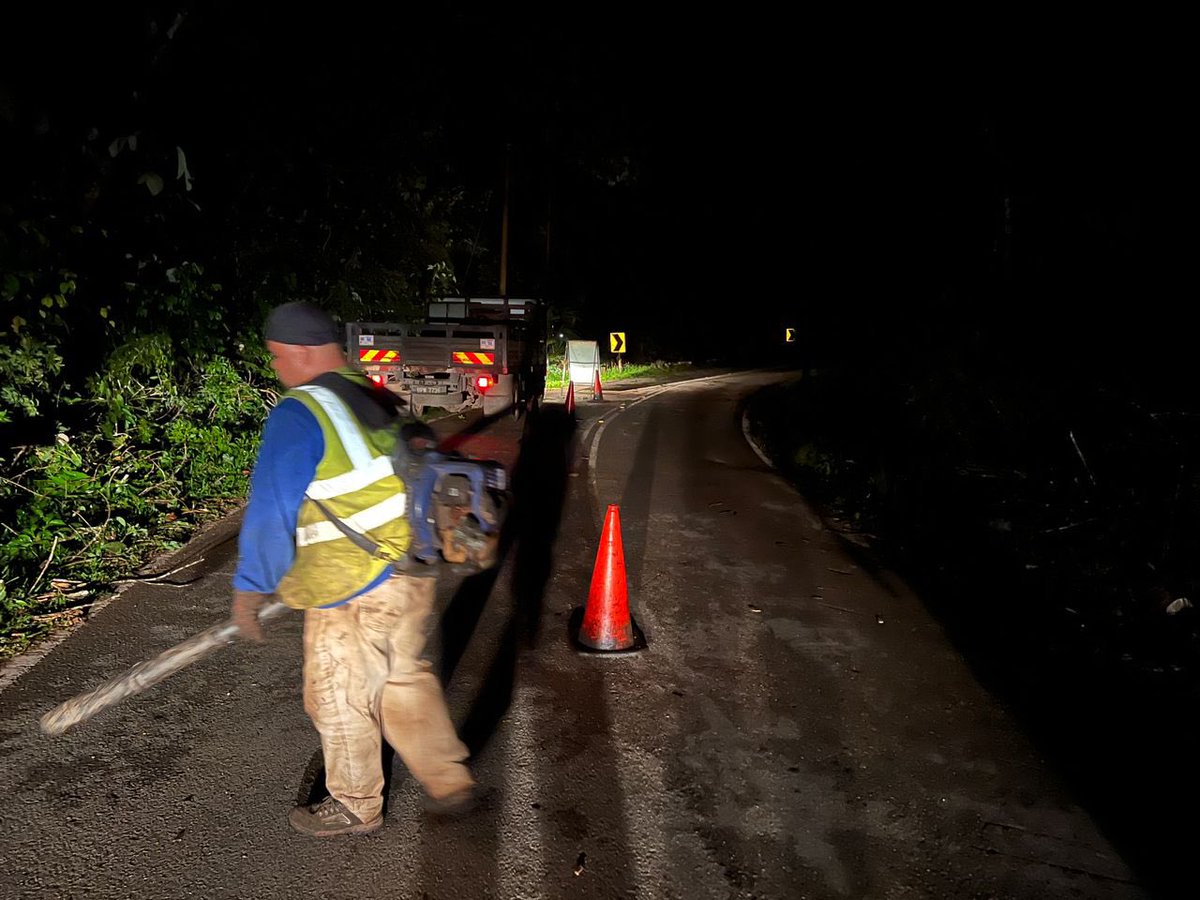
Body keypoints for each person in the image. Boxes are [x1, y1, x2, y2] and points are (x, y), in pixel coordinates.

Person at [230, 301, 476, 837]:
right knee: (401, 677)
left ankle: (355, 804)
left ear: (298, 352)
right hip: (411, 568)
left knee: (337, 692)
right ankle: (447, 777)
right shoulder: (371, 393)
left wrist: (251, 586)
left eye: (275, 357)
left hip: (353, 582)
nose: (275, 368)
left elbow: (273, 508)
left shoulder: (301, 412)